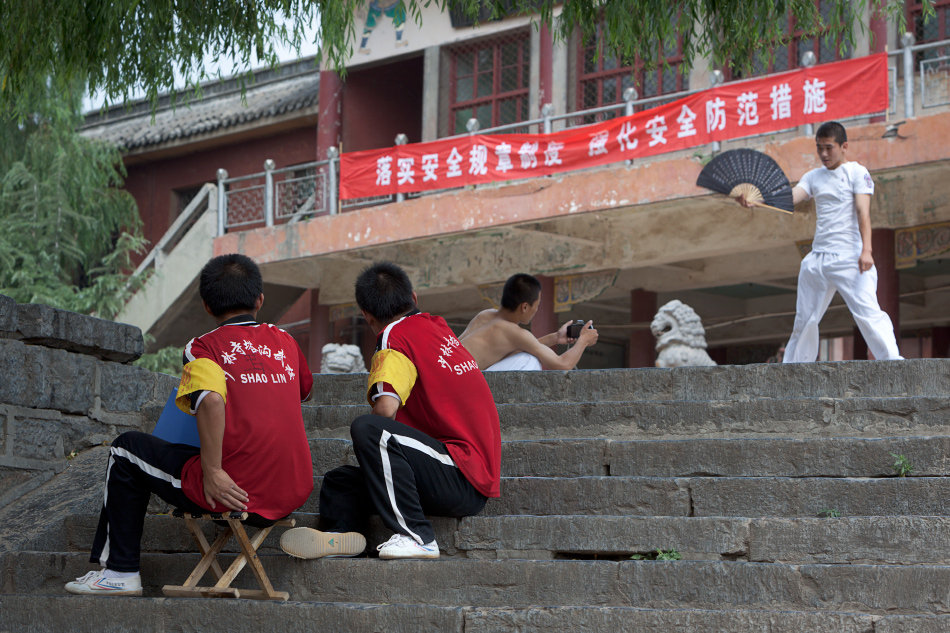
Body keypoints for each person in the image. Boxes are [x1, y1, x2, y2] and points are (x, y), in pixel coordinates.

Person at [65, 254, 318, 596]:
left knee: (125, 449)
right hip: (292, 489)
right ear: (259, 300)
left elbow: (211, 400)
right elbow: (305, 391)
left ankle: (119, 572)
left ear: (206, 306)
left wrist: (212, 471)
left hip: (234, 490)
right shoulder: (285, 340)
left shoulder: (203, 347)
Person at [280, 261, 500, 560]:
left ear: (366, 315)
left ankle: (417, 536)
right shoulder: (436, 327)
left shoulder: (394, 337)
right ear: (414, 297)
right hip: (459, 475)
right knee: (341, 480)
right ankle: (343, 536)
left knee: (370, 429)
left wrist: (373, 442)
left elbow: (385, 409)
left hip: (459, 473)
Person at [739, 121, 902, 363]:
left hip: (849, 257)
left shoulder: (857, 172)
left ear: (844, 146)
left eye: (829, 148)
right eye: (819, 148)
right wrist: (758, 200)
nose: (824, 154)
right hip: (818, 258)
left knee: (868, 313)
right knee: (805, 319)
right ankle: (794, 366)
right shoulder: (814, 176)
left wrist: (867, 250)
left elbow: (863, 212)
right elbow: (791, 197)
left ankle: (892, 362)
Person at [459, 273, 599, 371]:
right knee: (529, 360)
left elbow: (517, 348)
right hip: (461, 383)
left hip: (451, 374)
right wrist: (584, 340)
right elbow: (563, 364)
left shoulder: (485, 315)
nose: (537, 310)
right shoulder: (513, 332)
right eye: (537, 305)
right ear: (525, 307)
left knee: (524, 354)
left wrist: (555, 337)